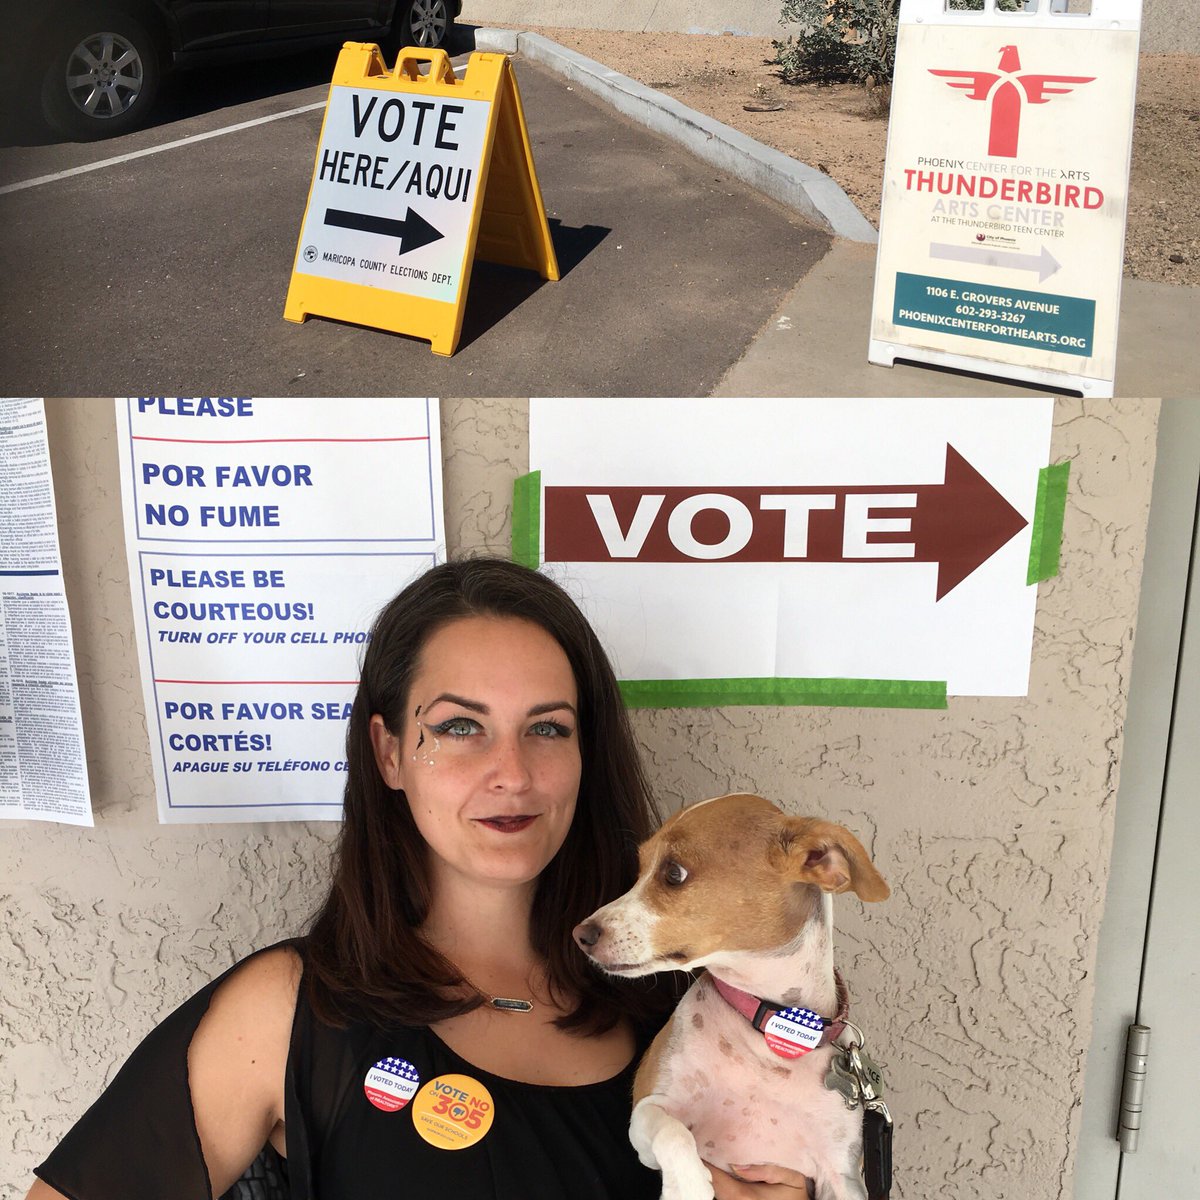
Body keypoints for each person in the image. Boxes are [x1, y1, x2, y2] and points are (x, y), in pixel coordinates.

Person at [27, 558, 809, 1200]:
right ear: (390, 752)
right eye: (460, 728)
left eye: (548, 728)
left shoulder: (694, 1003)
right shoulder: (292, 1013)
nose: (512, 773)